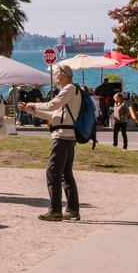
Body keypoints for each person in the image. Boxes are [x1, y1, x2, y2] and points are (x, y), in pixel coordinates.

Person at [21, 64, 82, 221]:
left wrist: (33, 104)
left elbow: (51, 105)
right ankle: (72, 209)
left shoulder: (69, 89)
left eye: (56, 75)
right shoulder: (70, 91)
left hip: (62, 136)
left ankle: (55, 211)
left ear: (63, 75)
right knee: (65, 174)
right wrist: (32, 112)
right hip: (68, 135)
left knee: (53, 172)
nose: (55, 78)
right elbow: (53, 115)